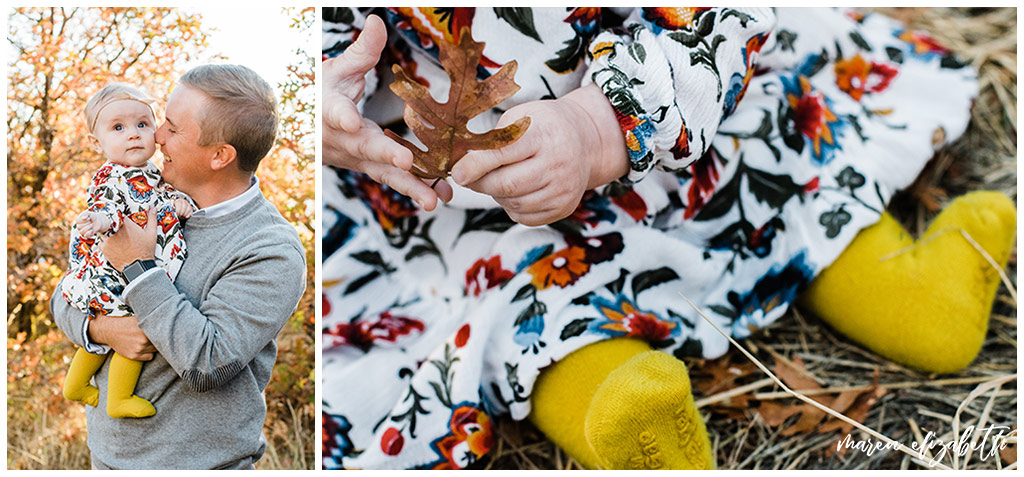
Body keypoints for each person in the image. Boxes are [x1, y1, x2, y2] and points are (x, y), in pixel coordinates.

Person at [321, 8, 1014, 469]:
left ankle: (903, 287)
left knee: (788, 156)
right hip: (454, 199)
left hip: (682, 121)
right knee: (489, 293)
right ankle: (624, 405)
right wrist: (321, 86)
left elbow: (722, 21)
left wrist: (600, 128)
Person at [52, 64, 306, 470]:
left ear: (220, 155)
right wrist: (100, 329)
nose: (155, 135)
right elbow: (67, 292)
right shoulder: (131, 195)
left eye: (170, 126)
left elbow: (208, 364)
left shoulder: (269, 248)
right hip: (107, 460)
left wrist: (139, 267)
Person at [61, 83, 195, 420]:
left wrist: (180, 202)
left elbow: (161, 199)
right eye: (118, 128)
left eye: (142, 125)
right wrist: (103, 220)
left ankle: (78, 386)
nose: (133, 135)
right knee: (130, 326)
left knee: (131, 328)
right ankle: (114, 396)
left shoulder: (154, 174)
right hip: (114, 271)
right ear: (98, 142)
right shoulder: (111, 177)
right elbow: (105, 207)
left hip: (140, 267)